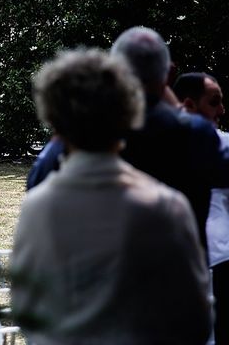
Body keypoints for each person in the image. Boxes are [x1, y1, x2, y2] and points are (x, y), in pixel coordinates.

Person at [12, 48, 212, 344]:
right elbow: (196, 321)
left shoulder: (37, 207)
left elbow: (26, 310)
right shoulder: (165, 205)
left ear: (54, 120)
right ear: (129, 114)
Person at [26, 27, 222, 251]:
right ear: (168, 74)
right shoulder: (196, 134)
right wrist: (176, 107)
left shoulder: (80, 139)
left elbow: (38, 183)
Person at [174, 72, 229, 345]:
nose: (222, 109)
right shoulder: (223, 145)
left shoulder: (154, 142)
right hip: (217, 257)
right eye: (214, 102)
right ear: (189, 104)